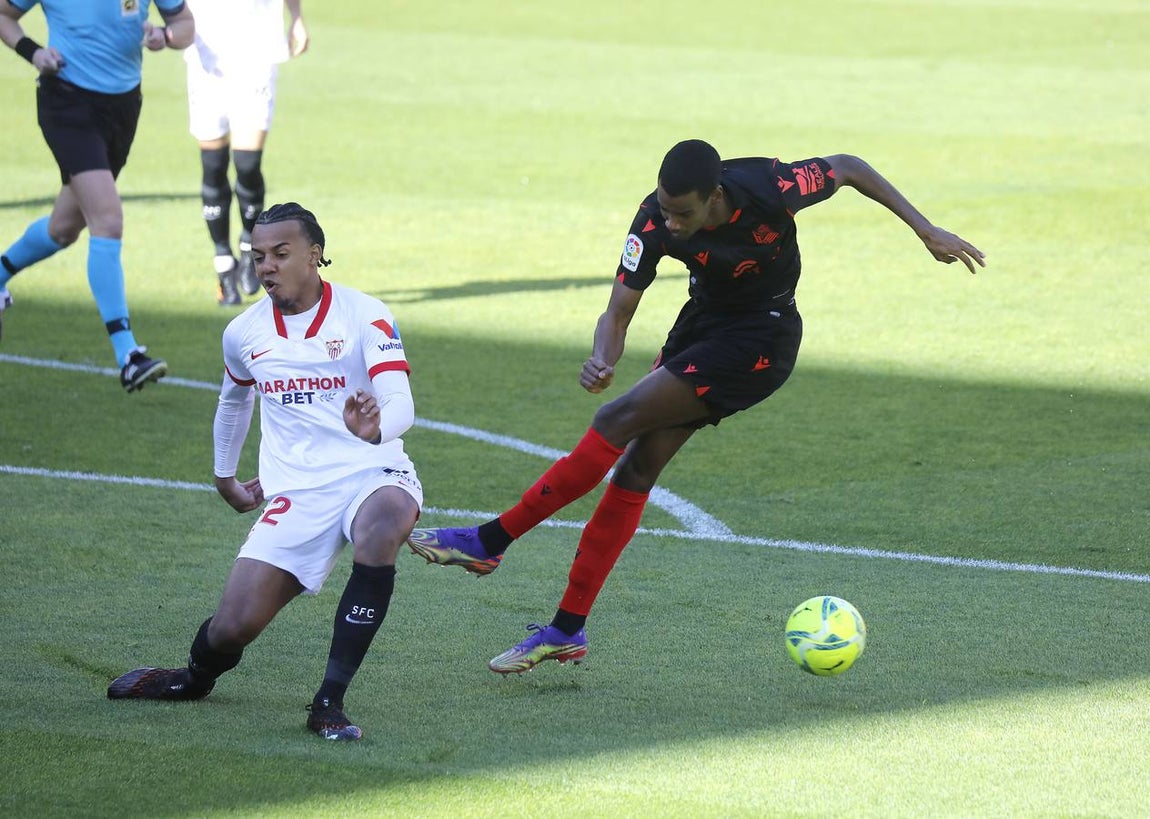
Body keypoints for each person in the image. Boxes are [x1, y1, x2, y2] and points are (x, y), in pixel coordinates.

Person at [407, 139, 986, 674]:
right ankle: (566, 629)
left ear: (714, 197)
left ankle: (490, 542)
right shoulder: (652, 219)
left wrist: (926, 229)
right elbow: (618, 311)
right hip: (701, 329)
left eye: (682, 214)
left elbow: (849, 168)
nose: (671, 223)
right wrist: (602, 358)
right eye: (665, 209)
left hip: (762, 338)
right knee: (635, 469)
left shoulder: (771, 187)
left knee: (615, 421)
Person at [108, 203, 422, 742]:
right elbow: (234, 402)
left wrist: (374, 431)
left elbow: (401, 403)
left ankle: (329, 702)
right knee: (232, 627)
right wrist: (223, 475)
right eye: (258, 257)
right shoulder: (244, 332)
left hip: (373, 468)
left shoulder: (365, 314)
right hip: (297, 490)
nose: (267, 267)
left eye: (280, 253)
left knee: (385, 523)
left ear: (314, 255)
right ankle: (194, 678)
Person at [0, 0, 194, 391]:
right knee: (107, 218)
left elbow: (185, 23)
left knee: (64, 227)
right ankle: (128, 355)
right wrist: (34, 53)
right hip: (66, 102)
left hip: (123, 107)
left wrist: (165, 35)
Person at [182, 0, 309, 306]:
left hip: (258, 52)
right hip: (206, 54)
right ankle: (223, 261)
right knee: (213, 165)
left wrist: (296, 17)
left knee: (247, 164)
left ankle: (249, 243)